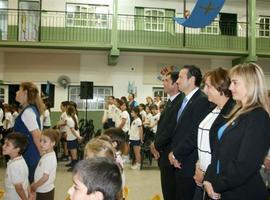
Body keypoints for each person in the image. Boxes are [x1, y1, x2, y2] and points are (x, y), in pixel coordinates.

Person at [203, 63, 270, 200]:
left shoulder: (258, 117)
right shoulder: (238, 111)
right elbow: (218, 151)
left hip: (243, 192)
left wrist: (216, 184)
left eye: (235, 83)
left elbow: (245, 165)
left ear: (250, 84)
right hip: (226, 188)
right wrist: (209, 178)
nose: (230, 87)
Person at [168, 65, 212, 200]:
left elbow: (195, 133)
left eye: (181, 77)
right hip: (179, 160)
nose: (177, 81)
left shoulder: (201, 100)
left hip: (189, 161)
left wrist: (177, 154)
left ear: (191, 79)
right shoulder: (184, 99)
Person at [192, 68, 235, 200]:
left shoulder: (231, 113)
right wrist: (199, 164)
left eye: (208, 86)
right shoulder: (213, 108)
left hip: (215, 179)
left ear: (221, 87)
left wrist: (207, 177)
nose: (204, 90)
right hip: (204, 174)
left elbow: (226, 153)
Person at [151, 71, 184, 200]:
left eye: (166, 80)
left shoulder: (180, 102)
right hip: (163, 151)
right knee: (167, 189)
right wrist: (155, 144)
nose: (163, 83)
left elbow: (171, 129)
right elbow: (162, 127)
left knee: (171, 191)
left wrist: (156, 145)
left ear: (175, 84)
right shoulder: (171, 102)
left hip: (170, 151)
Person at [13, 82, 45, 183]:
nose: (16, 92)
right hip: (28, 153)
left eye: (19, 90)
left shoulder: (28, 112)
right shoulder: (29, 110)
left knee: (28, 188)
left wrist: (42, 155)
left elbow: (36, 135)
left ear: (25, 93)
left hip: (29, 155)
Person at [31, 129, 60, 200]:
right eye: (40, 140)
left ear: (53, 143)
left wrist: (35, 185)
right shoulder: (47, 154)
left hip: (44, 191)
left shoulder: (49, 158)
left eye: (44, 141)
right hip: (42, 188)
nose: (41, 144)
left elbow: (45, 177)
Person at [3, 132, 29, 200]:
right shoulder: (19, 159)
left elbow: (19, 188)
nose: (3, 146)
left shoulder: (15, 166)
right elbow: (25, 180)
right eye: (4, 143)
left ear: (17, 149)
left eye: (7, 145)